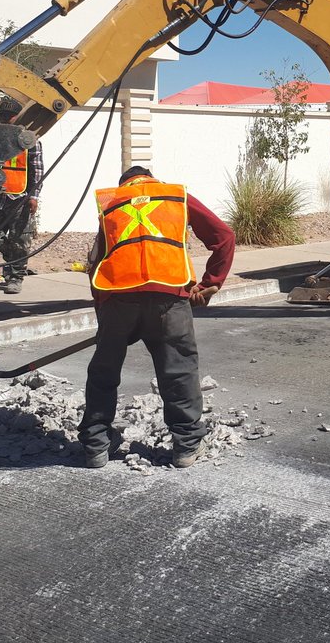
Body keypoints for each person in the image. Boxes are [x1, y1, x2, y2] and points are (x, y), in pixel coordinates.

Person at [79, 165, 235, 469]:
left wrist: (105, 315)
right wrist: (210, 282)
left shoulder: (112, 202)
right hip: (169, 299)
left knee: (104, 373)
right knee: (178, 371)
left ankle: (96, 446)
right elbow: (224, 237)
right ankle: (186, 446)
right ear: (153, 179)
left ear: (125, 184)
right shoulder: (175, 196)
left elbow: (97, 262)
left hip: (118, 300)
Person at [0, 97, 42, 295]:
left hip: (19, 196)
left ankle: (15, 277)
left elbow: (37, 170)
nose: (6, 119)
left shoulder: (29, 140)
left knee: (20, 238)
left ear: (19, 117)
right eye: (3, 116)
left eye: (10, 116)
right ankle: (14, 259)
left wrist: (34, 196)